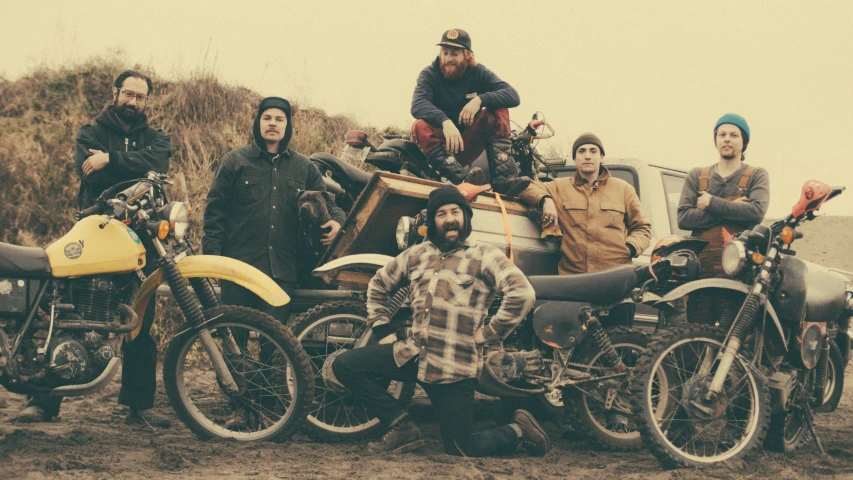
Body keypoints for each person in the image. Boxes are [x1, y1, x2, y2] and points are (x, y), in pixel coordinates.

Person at [331, 185, 550, 457]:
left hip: (453, 367)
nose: (449, 219)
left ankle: (518, 430)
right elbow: (378, 284)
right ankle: (401, 427)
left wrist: (491, 333)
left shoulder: (484, 255)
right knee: (345, 364)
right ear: (433, 222)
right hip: (413, 355)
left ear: (465, 218)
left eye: (455, 212)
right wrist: (383, 328)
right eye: (441, 214)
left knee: (460, 448)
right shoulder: (417, 254)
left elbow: (522, 292)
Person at [17, 70, 173, 427]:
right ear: (115, 93)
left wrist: (112, 159)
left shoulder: (157, 137)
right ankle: (42, 402)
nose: (133, 102)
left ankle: (138, 406)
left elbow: (158, 164)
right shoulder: (89, 133)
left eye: (140, 97)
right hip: (95, 236)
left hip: (142, 238)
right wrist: (118, 164)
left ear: (147, 101)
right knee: (67, 315)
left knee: (139, 323)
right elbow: (94, 176)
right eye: (128, 94)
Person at [203, 97, 345, 426]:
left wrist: (336, 222)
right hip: (238, 267)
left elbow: (331, 204)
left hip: (281, 271)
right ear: (258, 122)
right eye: (267, 117)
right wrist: (212, 261)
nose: (272, 123)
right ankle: (240, 408)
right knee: (234, 339)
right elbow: (215, 215)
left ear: (287, 126)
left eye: (279, 119)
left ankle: (268, 407)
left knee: (275, 344)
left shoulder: (303, 168)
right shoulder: (234, 162)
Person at [517, 133, 652, 326]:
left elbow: (643, 228)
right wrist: (545, 200)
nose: (587, 156)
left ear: (601, 157)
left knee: (619, 345)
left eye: (593, 151)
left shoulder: (623, 189)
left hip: (616, 283)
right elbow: (522, 186)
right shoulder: (560, 187)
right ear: (575, 158)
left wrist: (629, 248)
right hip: (575, 285)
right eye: (581, 151)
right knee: (577, 349)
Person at [411, 29, 529, 195]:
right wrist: (444, 122)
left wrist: (479, 100)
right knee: (419, 125)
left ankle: (503, 181)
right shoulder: (429, 74)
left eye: (454, 53)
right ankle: (462, 181)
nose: (448, 59)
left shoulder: (478, 72)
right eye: (444, 53)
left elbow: (512, 95)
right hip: (438, 147)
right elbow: (417, 104)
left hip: (464, 143)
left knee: (499, 109)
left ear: (467, 55)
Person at [677, 113, 769, 324]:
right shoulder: (697, 176)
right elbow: (683, 218)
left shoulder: (757, 175)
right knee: (697, 337)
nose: (727, 139)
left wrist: (711, 203)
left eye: (734, 135)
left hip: (740, 275)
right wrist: (733, 208)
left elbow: (756, 213)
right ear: (716, 139)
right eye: (722, 134)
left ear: (743, 142)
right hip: (701, 276)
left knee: (733, 340)